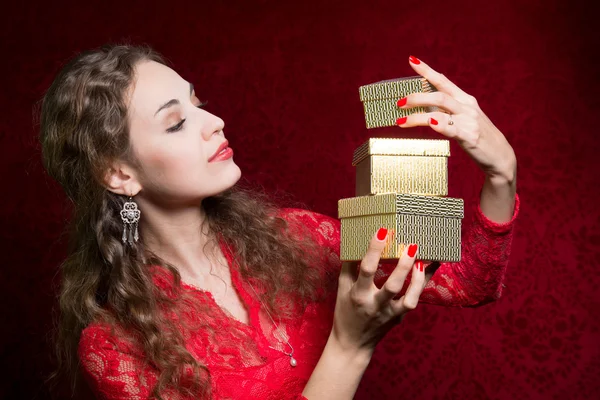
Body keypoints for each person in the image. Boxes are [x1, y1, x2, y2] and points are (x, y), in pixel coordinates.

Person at [39, 45, 519, 399]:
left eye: (198, 103)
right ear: (118, 173)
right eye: (176, 122)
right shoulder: (117, 345)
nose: (215, 121)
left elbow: (468, 281)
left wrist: (501, 173)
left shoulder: (298, 236)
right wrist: (349, 347)